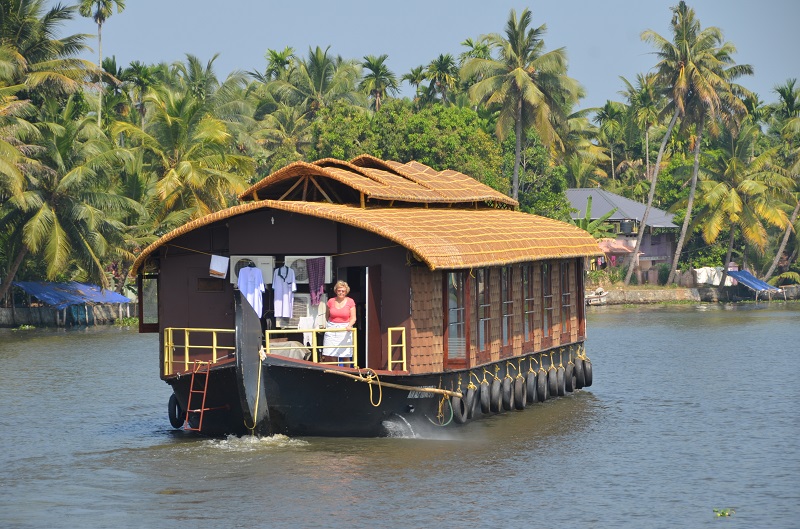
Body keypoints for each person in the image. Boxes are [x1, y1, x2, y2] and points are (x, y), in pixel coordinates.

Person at [322, 280, 356, 365]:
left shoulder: (350, 301)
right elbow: (327, 316)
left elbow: (353, 317)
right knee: (331, 354)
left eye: (343, 291)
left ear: (346, 291)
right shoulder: (330, 301)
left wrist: (349, 325)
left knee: (346, 354)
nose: (341, 292)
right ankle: (334, 373)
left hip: (345, 328)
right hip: (332, 328)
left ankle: (347, 373)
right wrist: (331, 325)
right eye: (339, 290)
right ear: (336, 291)